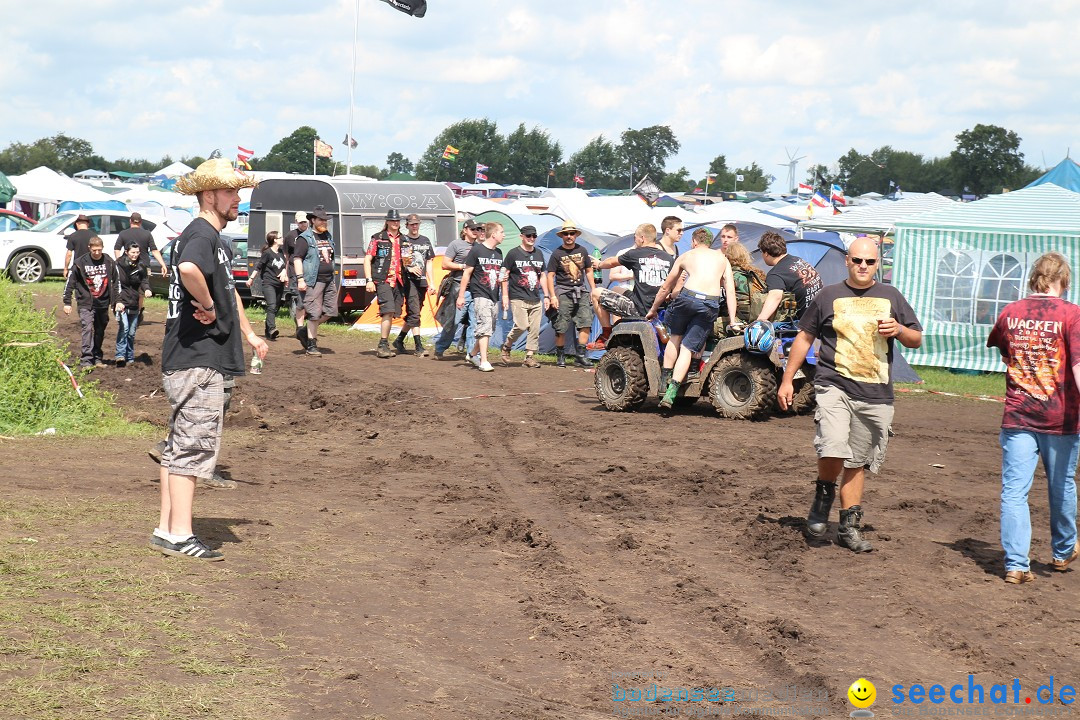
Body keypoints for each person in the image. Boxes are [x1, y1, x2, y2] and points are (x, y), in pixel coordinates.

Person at [151, 158, 267, 561]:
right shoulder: (201, 233)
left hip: (190, 358)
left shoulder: (213, 239)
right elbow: (187, 269)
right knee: (192, 448)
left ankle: (167, 528)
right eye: (232, 192)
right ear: (208, 194)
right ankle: (181, 534)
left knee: (178, 446)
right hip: (196, 358)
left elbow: (227, 291)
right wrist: (206, 305)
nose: (238, 199)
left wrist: (248, 332)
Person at [777, 236, 922, 553]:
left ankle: (848, 527)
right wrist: (788, 379)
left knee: (856, 461)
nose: (863, 267)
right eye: (857, 260)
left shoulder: (891, 296)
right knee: (833, 444)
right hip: (833, 384)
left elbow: (916, 338)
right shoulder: (829, 295)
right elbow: (804, 338)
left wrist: (898, 329)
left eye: (870, 262)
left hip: (875, 392)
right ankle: (822, 496)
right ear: (847, 261)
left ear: (877, 264)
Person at [986, 252, 1080, 584]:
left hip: (1018, 415)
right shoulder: (1072, 314)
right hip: (1060, 418)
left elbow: (1003, 350)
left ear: (1032, 278)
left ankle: (1015, 565)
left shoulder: (1011, 312)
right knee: (1061, 486)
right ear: (1065, 280)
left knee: (1013, 492)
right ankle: (1062, 551)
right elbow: (1078, 366)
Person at [646, 228, 737, 410]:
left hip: (687, 297)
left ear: (694, 241)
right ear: (710, 243)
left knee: (675, 338)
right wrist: (733, 320)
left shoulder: (687, 255)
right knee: (687, 349)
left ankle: (664, 382)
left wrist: (653, 309)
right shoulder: (722, 259)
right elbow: (730, 291)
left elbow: (666, 287)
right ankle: (672, 392)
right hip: (710, 303)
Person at [588, 223, 673, 350]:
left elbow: (612, 262)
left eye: (636, 237)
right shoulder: (669, 258)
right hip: (659, 308)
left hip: (639, 308)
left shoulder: (635, 253)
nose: (635, 240)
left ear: (642, 238)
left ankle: (606, 334)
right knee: (615, 289)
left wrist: (599, 264)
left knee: (596, 293)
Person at [546, 220, 596, 368]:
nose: (569, 236)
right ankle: (560, 355)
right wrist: (552, 296)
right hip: (563, 291)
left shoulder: (582, 250)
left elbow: (588, 270)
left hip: (581, 291)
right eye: (566, 234)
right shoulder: (557, 253)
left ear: (576, 235)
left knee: (586, 322)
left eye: (571, 233)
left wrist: (593, 288)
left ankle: (580, 355)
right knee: (561, 326)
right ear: (562, 236)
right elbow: (550, 276)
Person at [63, 236, 118, 369]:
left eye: (99, 250)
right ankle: (86, 360)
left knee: (100, 330)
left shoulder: (109, 261)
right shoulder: (80, 263)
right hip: (86, 302)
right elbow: (70, 282)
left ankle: (97, 357)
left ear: (103, 248)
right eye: (94, 250)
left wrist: (117, 301)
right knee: (87, 328)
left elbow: (117, 283)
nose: (97, 253)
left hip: (103, 302)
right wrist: (67, 302)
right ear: (89, 248)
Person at [457, 221, 504, 372]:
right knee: (484, 327)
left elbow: (500, 274)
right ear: (493, 234)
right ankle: (484, 360)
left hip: (494, 295)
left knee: (489, 328)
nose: (503, 235)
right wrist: (461, 296)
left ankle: (472, 354)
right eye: (501, 232)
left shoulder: (499, 253)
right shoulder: (477, 250)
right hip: (480, 294)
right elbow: (467, 273)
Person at [499, 224, 547, 368]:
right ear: (522, 237)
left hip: (535, 297)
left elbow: (543, 275)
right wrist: (505, 296)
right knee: (522, 325)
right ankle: (507, 345)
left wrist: (547, 296)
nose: (531, 238)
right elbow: (503, 274)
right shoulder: (513, 253)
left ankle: (529, 357)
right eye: (528, 236)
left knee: (535, 329)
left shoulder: (539, 253)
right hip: (517, 296)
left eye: (534, 236)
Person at [433, 219, 482, 359]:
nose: (475, 231)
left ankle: (472, 354)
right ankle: (440, 347)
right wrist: (462, 267)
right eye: (472, 229)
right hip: (458, 286)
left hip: (475, 288)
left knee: (474, 322)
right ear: (465, 230)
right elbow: (445, 264)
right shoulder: (456, 244)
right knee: (453, 321)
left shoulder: (480, 246)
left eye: (478, 229)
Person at [294, 208, 338, 356]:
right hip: (313, 281)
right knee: (314, 313)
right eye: (321, 220)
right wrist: (300, 279)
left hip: (329, 279)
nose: (324, 222)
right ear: (313, 220)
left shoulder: (327, 235)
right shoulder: (305, 238)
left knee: (331, 311)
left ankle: (303, 331)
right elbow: (297, 258)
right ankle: (311, 345)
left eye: (325, 220)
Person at [756, 231, 823, 323]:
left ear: (766, 253)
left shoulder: (776, 273)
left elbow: (775, 296)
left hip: (807, 322)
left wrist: (759, 321)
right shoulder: (797, 260)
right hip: (821, 312)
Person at [364, 209, 405, 358]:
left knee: (394, 311)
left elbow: (408, 259)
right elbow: (368, 259)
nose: (395, 223)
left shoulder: (404, 239)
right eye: (393, 220)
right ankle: (383, 344)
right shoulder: (378, 238)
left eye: (397, 221)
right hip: (382, 279)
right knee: (387, 310)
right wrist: (369, 280)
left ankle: (385, 342)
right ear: (387, 222)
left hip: (399, 281)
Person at [394, 213, 435, 357]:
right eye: (412, 224)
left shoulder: (425, 240)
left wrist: (432, 283)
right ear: (407, 225)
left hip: (422, 282)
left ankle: (399, 340)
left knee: (413, 313)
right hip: (409, 280)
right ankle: (418, 346)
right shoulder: (404, 240)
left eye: (416, 224)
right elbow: (403, 260)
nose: (414, 226)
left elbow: (429, 262)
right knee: (415, 313)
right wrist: (410, 268)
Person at [113, 242, 152, 367]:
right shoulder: (118, 264)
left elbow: (144, 280)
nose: (135, 255)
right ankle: (120, 355)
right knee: (124, 329)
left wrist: (147, 289)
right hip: (121, 301)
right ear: (126, 252)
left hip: (134, 301)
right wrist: (118, 301)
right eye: (132, 252)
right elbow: (116, 284)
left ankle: (129, 358)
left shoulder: (141, 265)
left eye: (137, 252)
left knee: (131, 332)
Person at [248, 231, 288, 340]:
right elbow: (258, 267)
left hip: (279, 285)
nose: (282, 238)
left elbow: (284, 266)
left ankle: (268, 332)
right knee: (271, 305)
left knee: (275, 308)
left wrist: (285, 273)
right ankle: (272, 328)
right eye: (280, 237)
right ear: (274, 240)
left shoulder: (280, 252)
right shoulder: (267, 253)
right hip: (268, 283)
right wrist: (251, 279)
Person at [724, 241, 767, 325]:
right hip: (758, 315)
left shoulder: (731, 274)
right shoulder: (755, 273)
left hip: (741, 319)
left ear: (728, 257)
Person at [282, 211, 309, 331]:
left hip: (309, 271)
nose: (303, 224)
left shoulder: (312, 235)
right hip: (294, 273)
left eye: (305, 222)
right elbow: (286, 256)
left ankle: (304, 327)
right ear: (296, 222)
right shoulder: (290, 236)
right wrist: (285, 272)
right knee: (298, 299)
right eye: (301, 222)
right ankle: (300, 327)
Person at [63, 215, 95, 279]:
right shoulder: (94, 236)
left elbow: (69, 254)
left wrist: (66, 268)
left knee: (78, 286)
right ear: (88, 224)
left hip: (78, 266)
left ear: (77, 224)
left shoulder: (73, 236)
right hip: (91, 266)